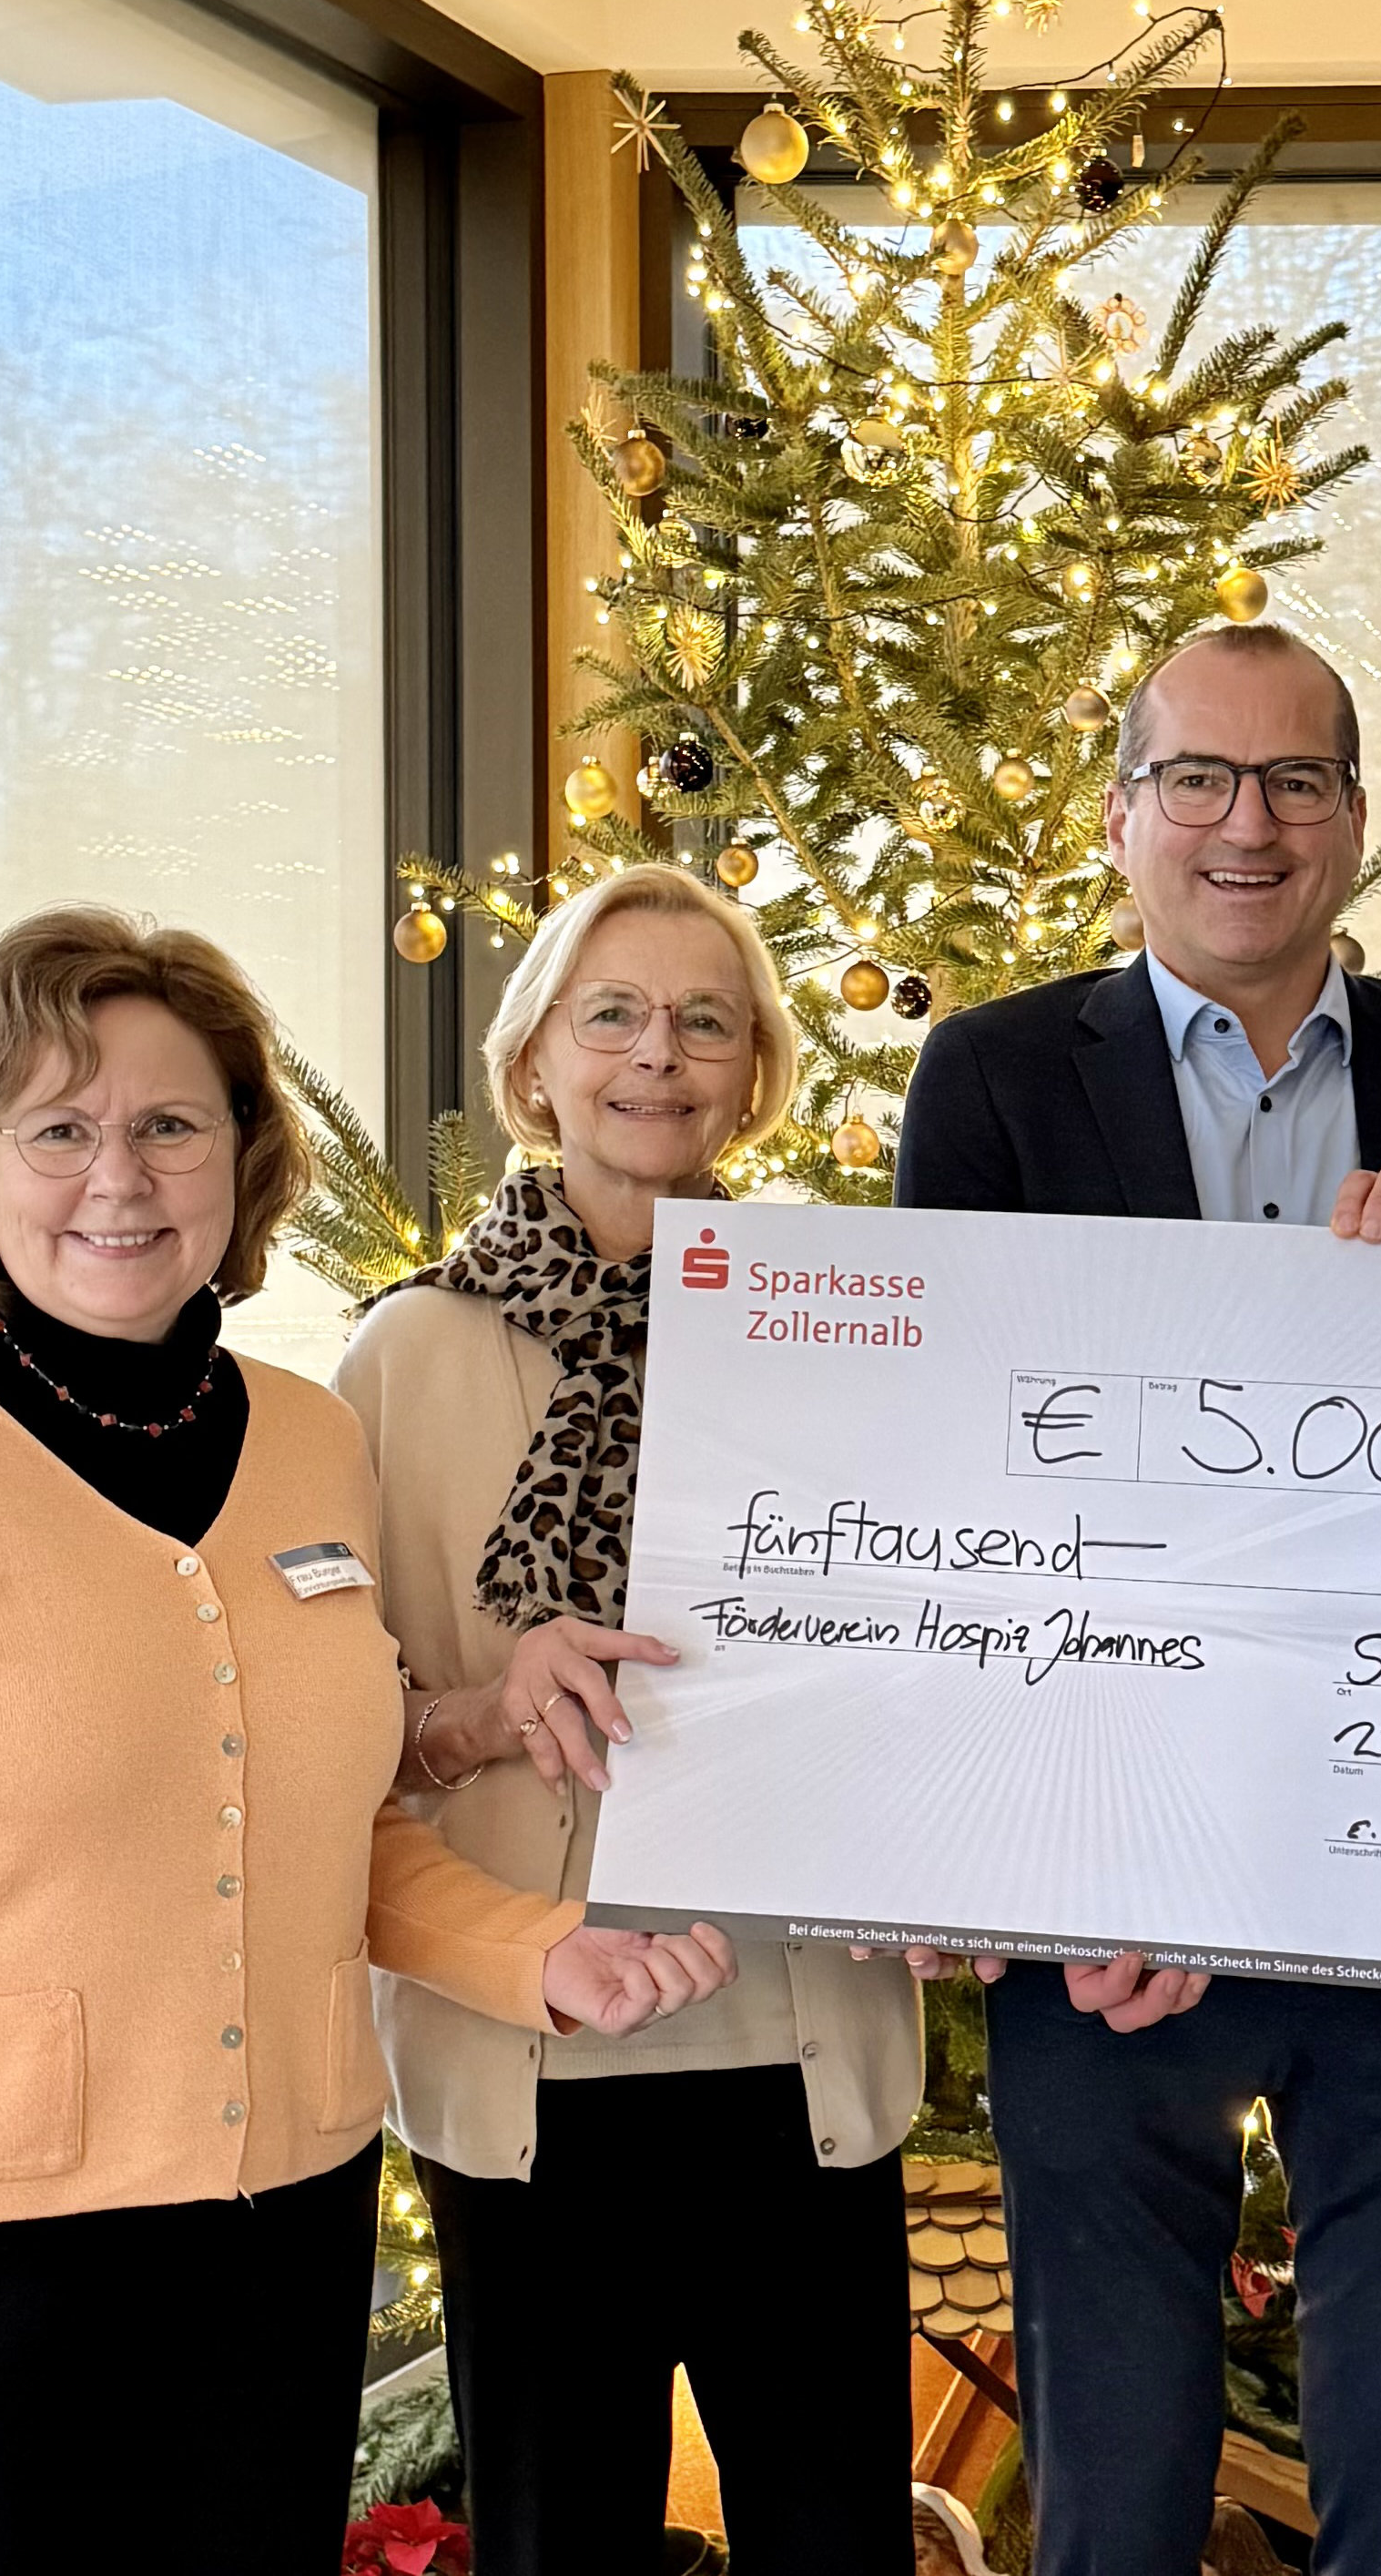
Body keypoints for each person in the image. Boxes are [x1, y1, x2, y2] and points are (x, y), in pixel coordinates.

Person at [0, 909, 736, 2570]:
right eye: (57, 1131)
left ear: (241, 1160)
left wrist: (538, 1955)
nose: (120, 1178)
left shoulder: (307, 1443)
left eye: (170, 1124)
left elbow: (320, 1821)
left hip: (279, 2258)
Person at [892, 620, 1381, 2574]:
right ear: (1123, 817)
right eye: (1196, 777)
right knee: (1110, 2498)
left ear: (1355, 815)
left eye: (1293, 780)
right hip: (1116, 1907)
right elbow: (955, 1491)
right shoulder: (995, 1079)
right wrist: (1068, 1861)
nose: (1245, 824)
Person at [336, 860, 926, 2576]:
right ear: (535, 1060)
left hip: (801, 2053)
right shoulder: (400, 1361)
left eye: (704, 1020)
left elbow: (935, 1649)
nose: (656, 1053)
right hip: (528, 2064)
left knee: (836, 2547)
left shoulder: (856, 1335)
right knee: (558, 2549)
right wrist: (477, 1714)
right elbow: (332, 1732)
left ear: (756, 1074)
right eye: (612, 1014)